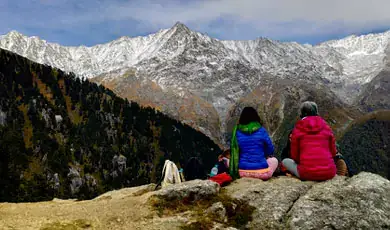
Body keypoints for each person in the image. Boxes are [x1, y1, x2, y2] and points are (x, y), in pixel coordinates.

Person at [282, 101, 337, 181]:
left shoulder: (297, 129)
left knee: (285, 161)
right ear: (316, 112)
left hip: (306, 173)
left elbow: (295, 156)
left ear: (301, 113)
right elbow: (333, 152)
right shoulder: (326, 127)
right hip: (329, 173)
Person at [229, 107, 278, 180]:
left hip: (242, 173)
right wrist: (263, 155)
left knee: (227, 161)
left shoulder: (237, 132)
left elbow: (236, 152)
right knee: (274, 160)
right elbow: (270, 149)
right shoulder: (261, 130)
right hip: (262, 173)